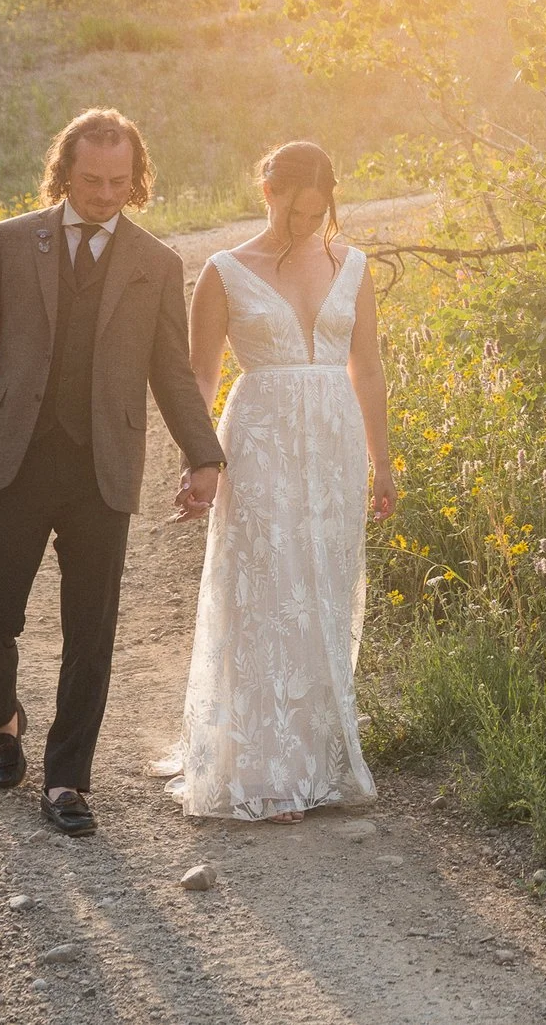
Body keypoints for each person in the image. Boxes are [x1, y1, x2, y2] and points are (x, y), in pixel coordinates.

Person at [0, 108, 227, 837]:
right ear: (66, 172)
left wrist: (204, 455)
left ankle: (66, 779)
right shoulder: (7, 243)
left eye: (120, 181)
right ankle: (2, 719)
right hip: (18, 457)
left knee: (90, 629)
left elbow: (173, 374)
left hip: (104, 465)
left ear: (137, 177)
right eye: (91, 180)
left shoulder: (156, 263)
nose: (104, 194)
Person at [159, 140, 394, 822]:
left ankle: (316, 760)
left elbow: (369, 369)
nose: (306, 227)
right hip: (259, 440)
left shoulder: (351, 266)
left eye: (318, 216)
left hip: (335, 443)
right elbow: (199, 377)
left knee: (322, 588)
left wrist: (384, 463)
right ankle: (262, 769)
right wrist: (195, 458)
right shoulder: (224, 271)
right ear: (267, 192)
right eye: (295, 214)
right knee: (264, 589)